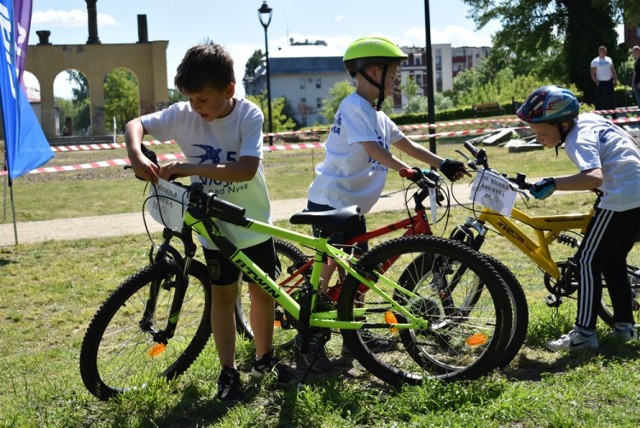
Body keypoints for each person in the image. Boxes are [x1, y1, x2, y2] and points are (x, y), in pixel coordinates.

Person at [125, 41, 294, 401]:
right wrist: (137, 153)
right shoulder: (183, 113)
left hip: (252, 223)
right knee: (222, 295)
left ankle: (264, 358)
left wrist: (189, 167)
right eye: (190, 98)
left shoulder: (249, 115)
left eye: (202, 99)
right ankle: (228, 371)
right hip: (214, 229)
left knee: (262, 294)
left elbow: (246, 169)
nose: (195, 107)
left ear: (229, 90)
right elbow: (135, 124)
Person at [299, 36, 468, 372]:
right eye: (392, 76)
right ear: (374, 72)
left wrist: (441, 163)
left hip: (353, 207)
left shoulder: (376, 114)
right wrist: (406, 171)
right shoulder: (353, 107)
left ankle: (353, 331)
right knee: (332, 264)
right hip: (330, 200)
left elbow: (405, 144)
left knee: (360, 272)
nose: (395, 83)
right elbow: (374, 151)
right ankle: (310, 328)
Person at [516, 85, 640, 351]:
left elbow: (593, 177)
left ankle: (584, 334)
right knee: (613, 260)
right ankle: (624, 328)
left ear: (562, 125)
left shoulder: (575, 140)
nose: (538, 138)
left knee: (586, 261)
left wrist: (552, 183)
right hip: (635, 192)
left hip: (619, 197)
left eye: (541, 133)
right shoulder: (590, 120)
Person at [590, 46, 618, 116]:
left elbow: (612, 70)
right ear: (599, 52)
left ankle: (614, 116)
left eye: (605, 51)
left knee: (611, 99)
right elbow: (592, 73)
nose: (603, 52)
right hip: (600, 82)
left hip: (609, 81)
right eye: (602, 51)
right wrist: (596, 81)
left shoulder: (609, 59)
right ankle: (597, 116)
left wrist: (615, 79)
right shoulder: (595, 61)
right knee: (599, 100)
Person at [631, 45, 640, 112]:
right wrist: (633, 83)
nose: (632, 54)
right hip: (636, 84)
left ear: (637, 51)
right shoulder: (636, 61)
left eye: (633, 52)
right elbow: (635, 73)